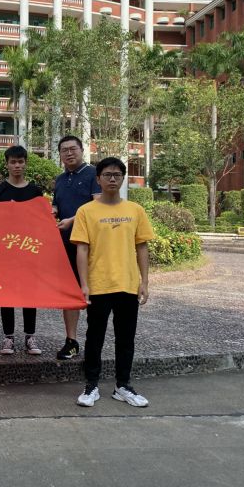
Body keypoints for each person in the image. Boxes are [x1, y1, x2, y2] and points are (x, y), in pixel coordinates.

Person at [71, 157, 155, 408]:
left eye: (117, 175)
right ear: (98, 179)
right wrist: (84, 284)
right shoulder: (86, 211)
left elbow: (142, 247)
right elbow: (82, 250)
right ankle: (91, 385)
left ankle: (123, 386)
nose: (112, 179)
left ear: (123, 179)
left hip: (127, 284)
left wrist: (144, 281)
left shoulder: (135, 210)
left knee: (126, 338)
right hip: (99, 284)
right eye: (107, 175)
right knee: (94, 337)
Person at [0, 145, 44, 355]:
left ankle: (30, 336)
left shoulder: (35, 191)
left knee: (30, 293)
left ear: (26, 164)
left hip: (29, 249)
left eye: (21, 161)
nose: (17, 165)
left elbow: (40, 221)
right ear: (7, 164)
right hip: (5, 250)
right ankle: (8, 337)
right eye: (13, 162)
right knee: (7, 293)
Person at [52, 135, 101, 360]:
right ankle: (71, 341)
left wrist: (72, 220)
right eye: (64, 150)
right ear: (60, 155)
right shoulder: (60, 179)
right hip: (66, 243)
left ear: (82, 150)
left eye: (73, 149)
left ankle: (94, 341)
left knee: (94, 291)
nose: (69, 153)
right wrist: (51, 213)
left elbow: (98, 205)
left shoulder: (93, 174)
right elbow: (57, 205)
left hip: (91, 244)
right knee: (70, 293)